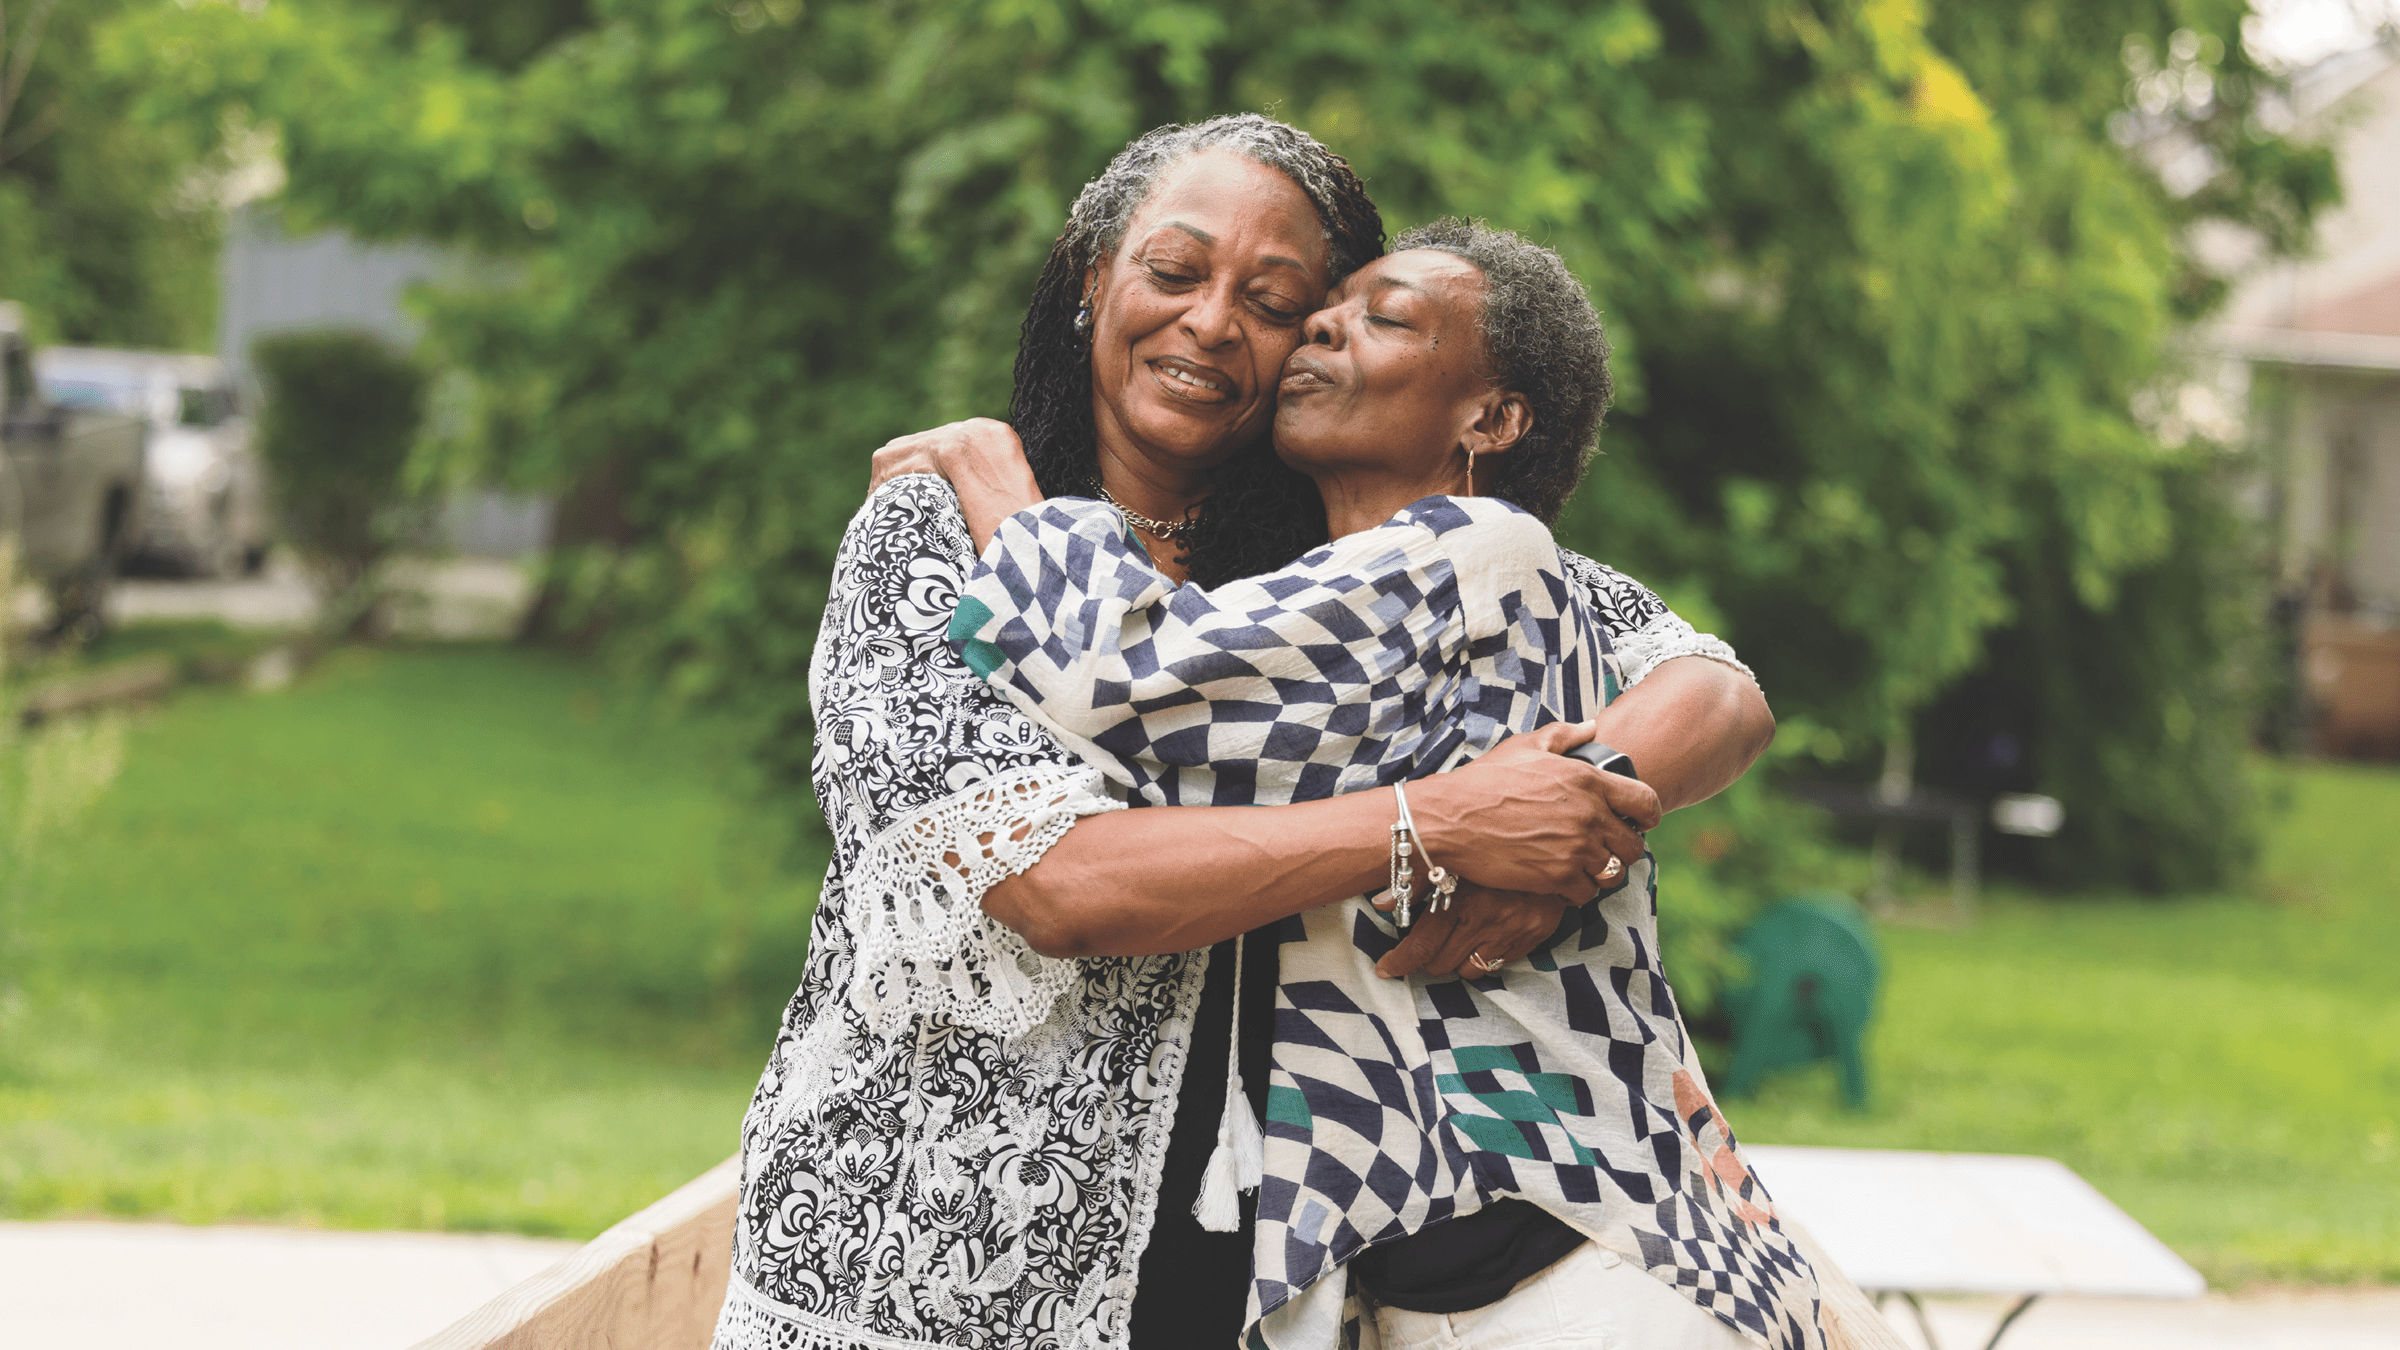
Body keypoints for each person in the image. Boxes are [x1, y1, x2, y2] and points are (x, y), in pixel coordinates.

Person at [714, 116, 1771, 1350]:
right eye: (1173, 273)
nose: (1213, 324)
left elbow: (1705, 685)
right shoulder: (936, 534)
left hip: (1238, 1280)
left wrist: (1572, 815)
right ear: (1090, 279)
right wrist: (1435, 824)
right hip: (928, 1263)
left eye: (1275, 302)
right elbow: (1054, 883)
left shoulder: (1343, 559)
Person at [949, 222, 1825, 1350]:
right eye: (1326, 311)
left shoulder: (1479, 551)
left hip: (1580, 1285)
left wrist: (994, 477)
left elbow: (1118, 675)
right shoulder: (1347, 594)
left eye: (1385, 317)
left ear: (1492, 419)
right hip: (1452, 1294)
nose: (1322, 324)